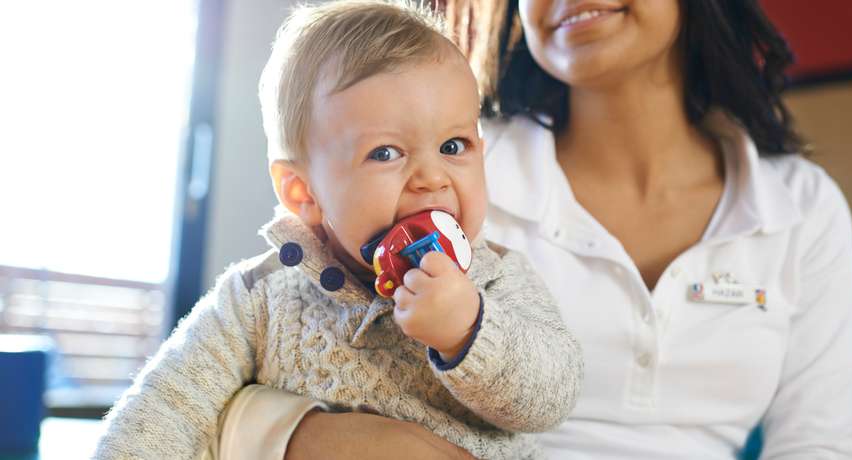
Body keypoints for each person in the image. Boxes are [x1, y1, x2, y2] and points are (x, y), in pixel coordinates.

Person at [213, 0, 852, 458]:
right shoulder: (443, 171)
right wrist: (302, 437)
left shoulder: (801, 206)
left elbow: (822, 444)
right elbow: (262, 330)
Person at [90, 1, 583, 459]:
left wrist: (468, 330)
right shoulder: (258, 295)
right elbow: (166, 407)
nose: (433, 177)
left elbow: (552, 397)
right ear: (304, 192)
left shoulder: (496, 280)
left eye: (453, 146)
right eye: (386, 153)